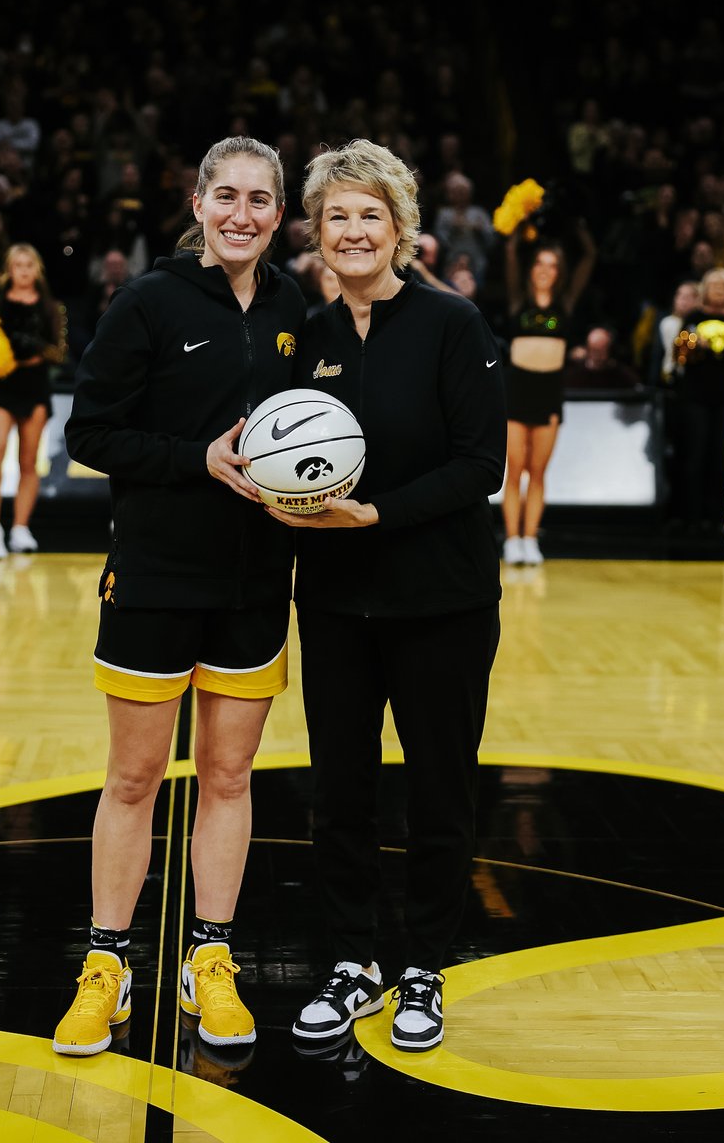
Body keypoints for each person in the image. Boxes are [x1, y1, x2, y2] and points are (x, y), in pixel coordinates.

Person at [54, 136, 307, 1058]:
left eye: (260, 200)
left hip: (253, 584)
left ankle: (211, 959)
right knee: (133, 780)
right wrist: (193, 461)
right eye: (226, 196)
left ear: (280, 216)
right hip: (155, 577)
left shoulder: (293, 309)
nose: (242, 215)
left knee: (229, 779)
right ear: (199, 204)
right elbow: (89, 432)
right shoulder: (149, 301)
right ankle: (107, 965)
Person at [266, 138, 506, 1053]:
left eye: (371, 214)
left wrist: (376, 515)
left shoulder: (452, 325)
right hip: (333, 603)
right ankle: (351, 961)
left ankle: (426, 968)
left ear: (401, 229)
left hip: (441, 599)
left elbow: (480, 467)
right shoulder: (308, 339)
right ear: (317, 233)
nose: (354, 230)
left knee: (440, 790)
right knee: (341, 792)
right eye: (337, 215)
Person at [501, 219, 596, 564]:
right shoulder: (517, 302)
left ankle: (531, 538)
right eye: (540, 263)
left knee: (538, 472)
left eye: (552, 265)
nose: (545, 270)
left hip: (549, 392)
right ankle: (512, 540)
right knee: (515, 469)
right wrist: (523, 219)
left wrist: (575, 221)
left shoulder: (565, 305)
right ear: (531, 269)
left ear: (560, 272)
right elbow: (510, 251)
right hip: (517, 391)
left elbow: (589, 257)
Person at [0, 243, 66, 559]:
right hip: (1, 385)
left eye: (29, 265)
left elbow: (60, 352)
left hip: (34, 385)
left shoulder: (49, 307)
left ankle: (20, 528)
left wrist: (37, 347)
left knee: (28, 461)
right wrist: (1, 352)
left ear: (37, 270)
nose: (24, 271)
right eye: (18, 265)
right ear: (9, 270)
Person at [670, 265, 724, 536]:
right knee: (694, 455)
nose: (719, 291)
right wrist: (693, 345)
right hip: (695, 396)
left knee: (720, 457)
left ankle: (718, 516)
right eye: (714, 286)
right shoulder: (693, 316)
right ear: (705, 289)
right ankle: (691, 516)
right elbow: (678, 356)